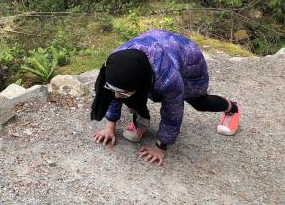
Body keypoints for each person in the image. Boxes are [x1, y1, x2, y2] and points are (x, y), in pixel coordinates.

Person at [90, 29, 240, 165]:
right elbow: (114, 95)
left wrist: (161, 147)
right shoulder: (116, 63)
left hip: (188, 58)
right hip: (154, 48)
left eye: (122, 93)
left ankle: (232, 108)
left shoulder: (168, 79)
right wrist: (109, 128)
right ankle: (141, 121)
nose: (117, 96)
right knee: (127, 92)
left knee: (199, 102)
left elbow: (172, 112)